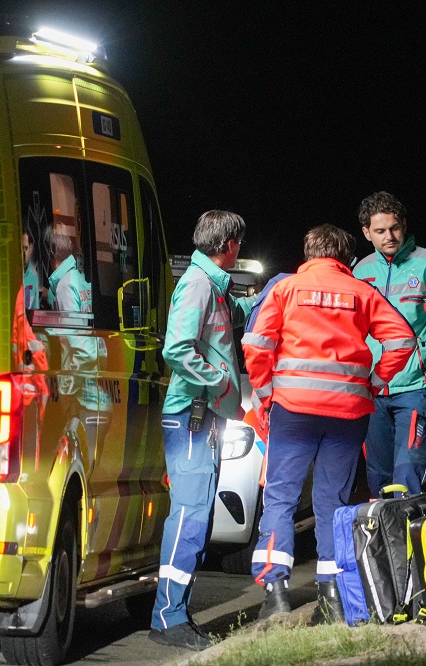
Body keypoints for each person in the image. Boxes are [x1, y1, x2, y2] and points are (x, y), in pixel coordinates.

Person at [243, 224, 416, 624]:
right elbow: (403, 341)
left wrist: (267, 392)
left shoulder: (285, 289)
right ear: (346, 257)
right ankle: (333, 598)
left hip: (293, 411)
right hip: (348, 415)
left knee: (281, 499)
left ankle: (275, 594)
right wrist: (373, 384)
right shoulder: (363, 292)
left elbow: (255, 344)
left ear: (309, 253)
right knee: (332, 504)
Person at [150, 210, 254, 650]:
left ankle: (177, 612)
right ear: (229, 245)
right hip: (192, 414)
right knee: (190, 517)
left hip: (204, 415)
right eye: (239, 245)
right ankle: (167, 617)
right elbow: (176, 349)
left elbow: (232, 317)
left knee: (198, 516)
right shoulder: (197, 285)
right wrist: (221, 381)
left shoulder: (211, 283)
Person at [353, 192, 426, 497]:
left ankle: (410, 543)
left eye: (394, 228)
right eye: (379, 231)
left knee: (408, 475)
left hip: (416, 388)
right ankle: (386, 543)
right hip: (372, 390)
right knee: (378, 478)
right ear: (366, 233)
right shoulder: (359, 272)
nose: (389, 236)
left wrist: (424, 355)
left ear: (404, 224)